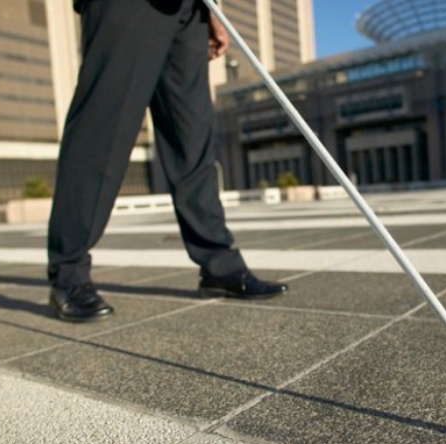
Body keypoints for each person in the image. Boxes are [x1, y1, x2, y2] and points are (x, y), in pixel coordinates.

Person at [48, 0, 288, 322]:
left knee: (191, 137)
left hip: (189, 10)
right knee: (103, 128)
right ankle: (69, 273)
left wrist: (213, 10)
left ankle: (218, 263)